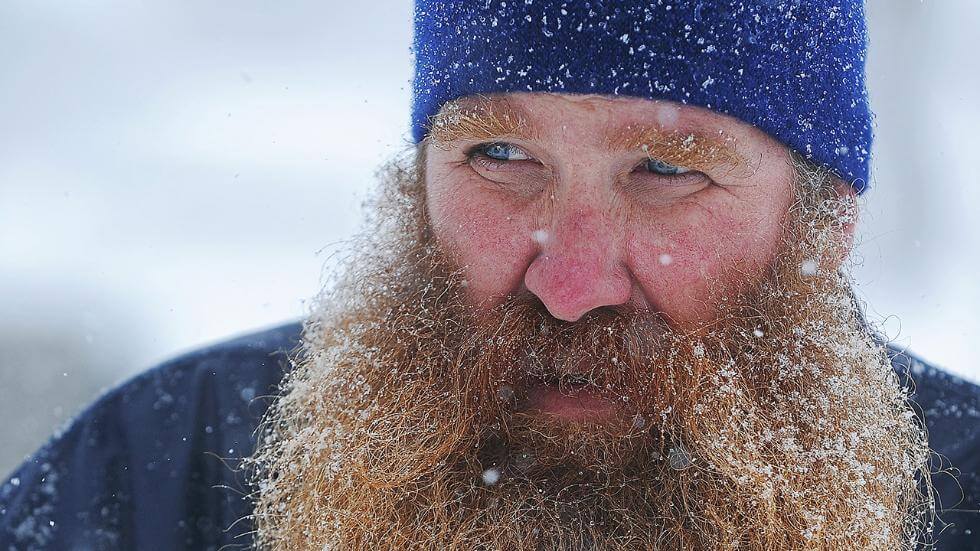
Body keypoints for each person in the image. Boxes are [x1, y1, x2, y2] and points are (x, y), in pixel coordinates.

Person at [2, 1, 978, 549]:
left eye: (667, 171)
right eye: (500, 158)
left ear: (825, 222)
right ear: (412, 185)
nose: (568, 281)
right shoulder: (154, 480)